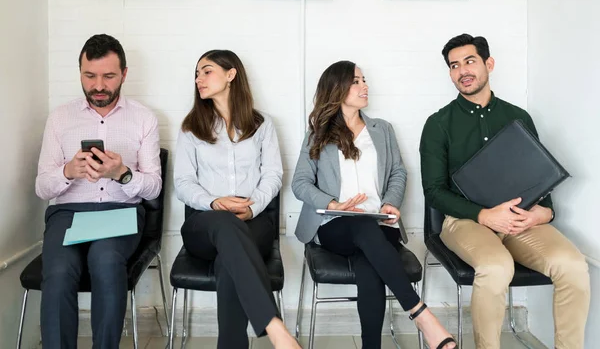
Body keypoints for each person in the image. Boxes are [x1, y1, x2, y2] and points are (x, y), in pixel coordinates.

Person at [420, 33, 590, 349]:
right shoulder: (438, 124)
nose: (462, 71)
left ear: (489, 64)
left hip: (520, 221)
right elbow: (433, 192)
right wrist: (483, 215)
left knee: (573, 265)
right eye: (454, 65)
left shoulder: (517, 117)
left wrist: (546, 211)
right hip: (464, 221)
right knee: (496, 267)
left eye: (469, 61)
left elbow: (540, 179)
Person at [292, 60, 456, 349]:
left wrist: (391, 203)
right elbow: (300, 183)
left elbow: (398, 172)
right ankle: (420, 314)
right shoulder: (317, 134)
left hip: (380, 223)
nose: (364, 86)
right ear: (337, 87)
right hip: (334, 225)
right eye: (356, 81)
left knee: (369, 257)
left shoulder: (382, 129)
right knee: (361, 229)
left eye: (363, 79)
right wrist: (334, 203)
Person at [35, 34, 162, 348]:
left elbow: (154, 187)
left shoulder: (143, 118)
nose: (98, 86)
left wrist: (122, 173)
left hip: (120, 213)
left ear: (124, 74)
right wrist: (68, 172)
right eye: (89, 76)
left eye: (108, 76)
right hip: (68, 213)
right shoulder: (60, 119)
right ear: (79, 72)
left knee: (106, 260)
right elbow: (41, 187)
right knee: (60, 269)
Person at [174, 49, 300, 349]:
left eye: (207, 71)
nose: (198, 79)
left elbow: (272, 175)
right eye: (196, 74)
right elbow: (182, 183)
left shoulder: (262, 125)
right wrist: (216, 204)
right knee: (223, 225)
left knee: (228, 260)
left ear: (231, 75)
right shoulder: (191, 127)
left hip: (252, 219)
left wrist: (252, 205)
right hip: (203, 222)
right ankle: (273, 325)